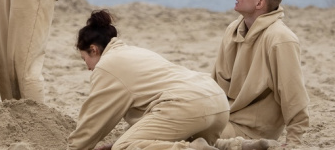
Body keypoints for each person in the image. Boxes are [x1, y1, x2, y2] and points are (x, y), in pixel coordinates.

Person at [67, 10, 273, 150]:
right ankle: (237, 146)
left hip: (189, 104)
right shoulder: (133, 53)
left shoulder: (107, 65)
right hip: (216, 101)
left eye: (85, 58)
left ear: (93, 49)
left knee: (125, 147)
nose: (88, 67)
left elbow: (95, 120)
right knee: (175, 140)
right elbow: (151, 123)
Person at [212, 0, 310, 146]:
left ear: (259, 4)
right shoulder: (233, 28)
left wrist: (295, 141)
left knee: (181, 135)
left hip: (251, 130)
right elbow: (217, 81)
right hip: (223, 118)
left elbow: (293, 94)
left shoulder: (281, 39)